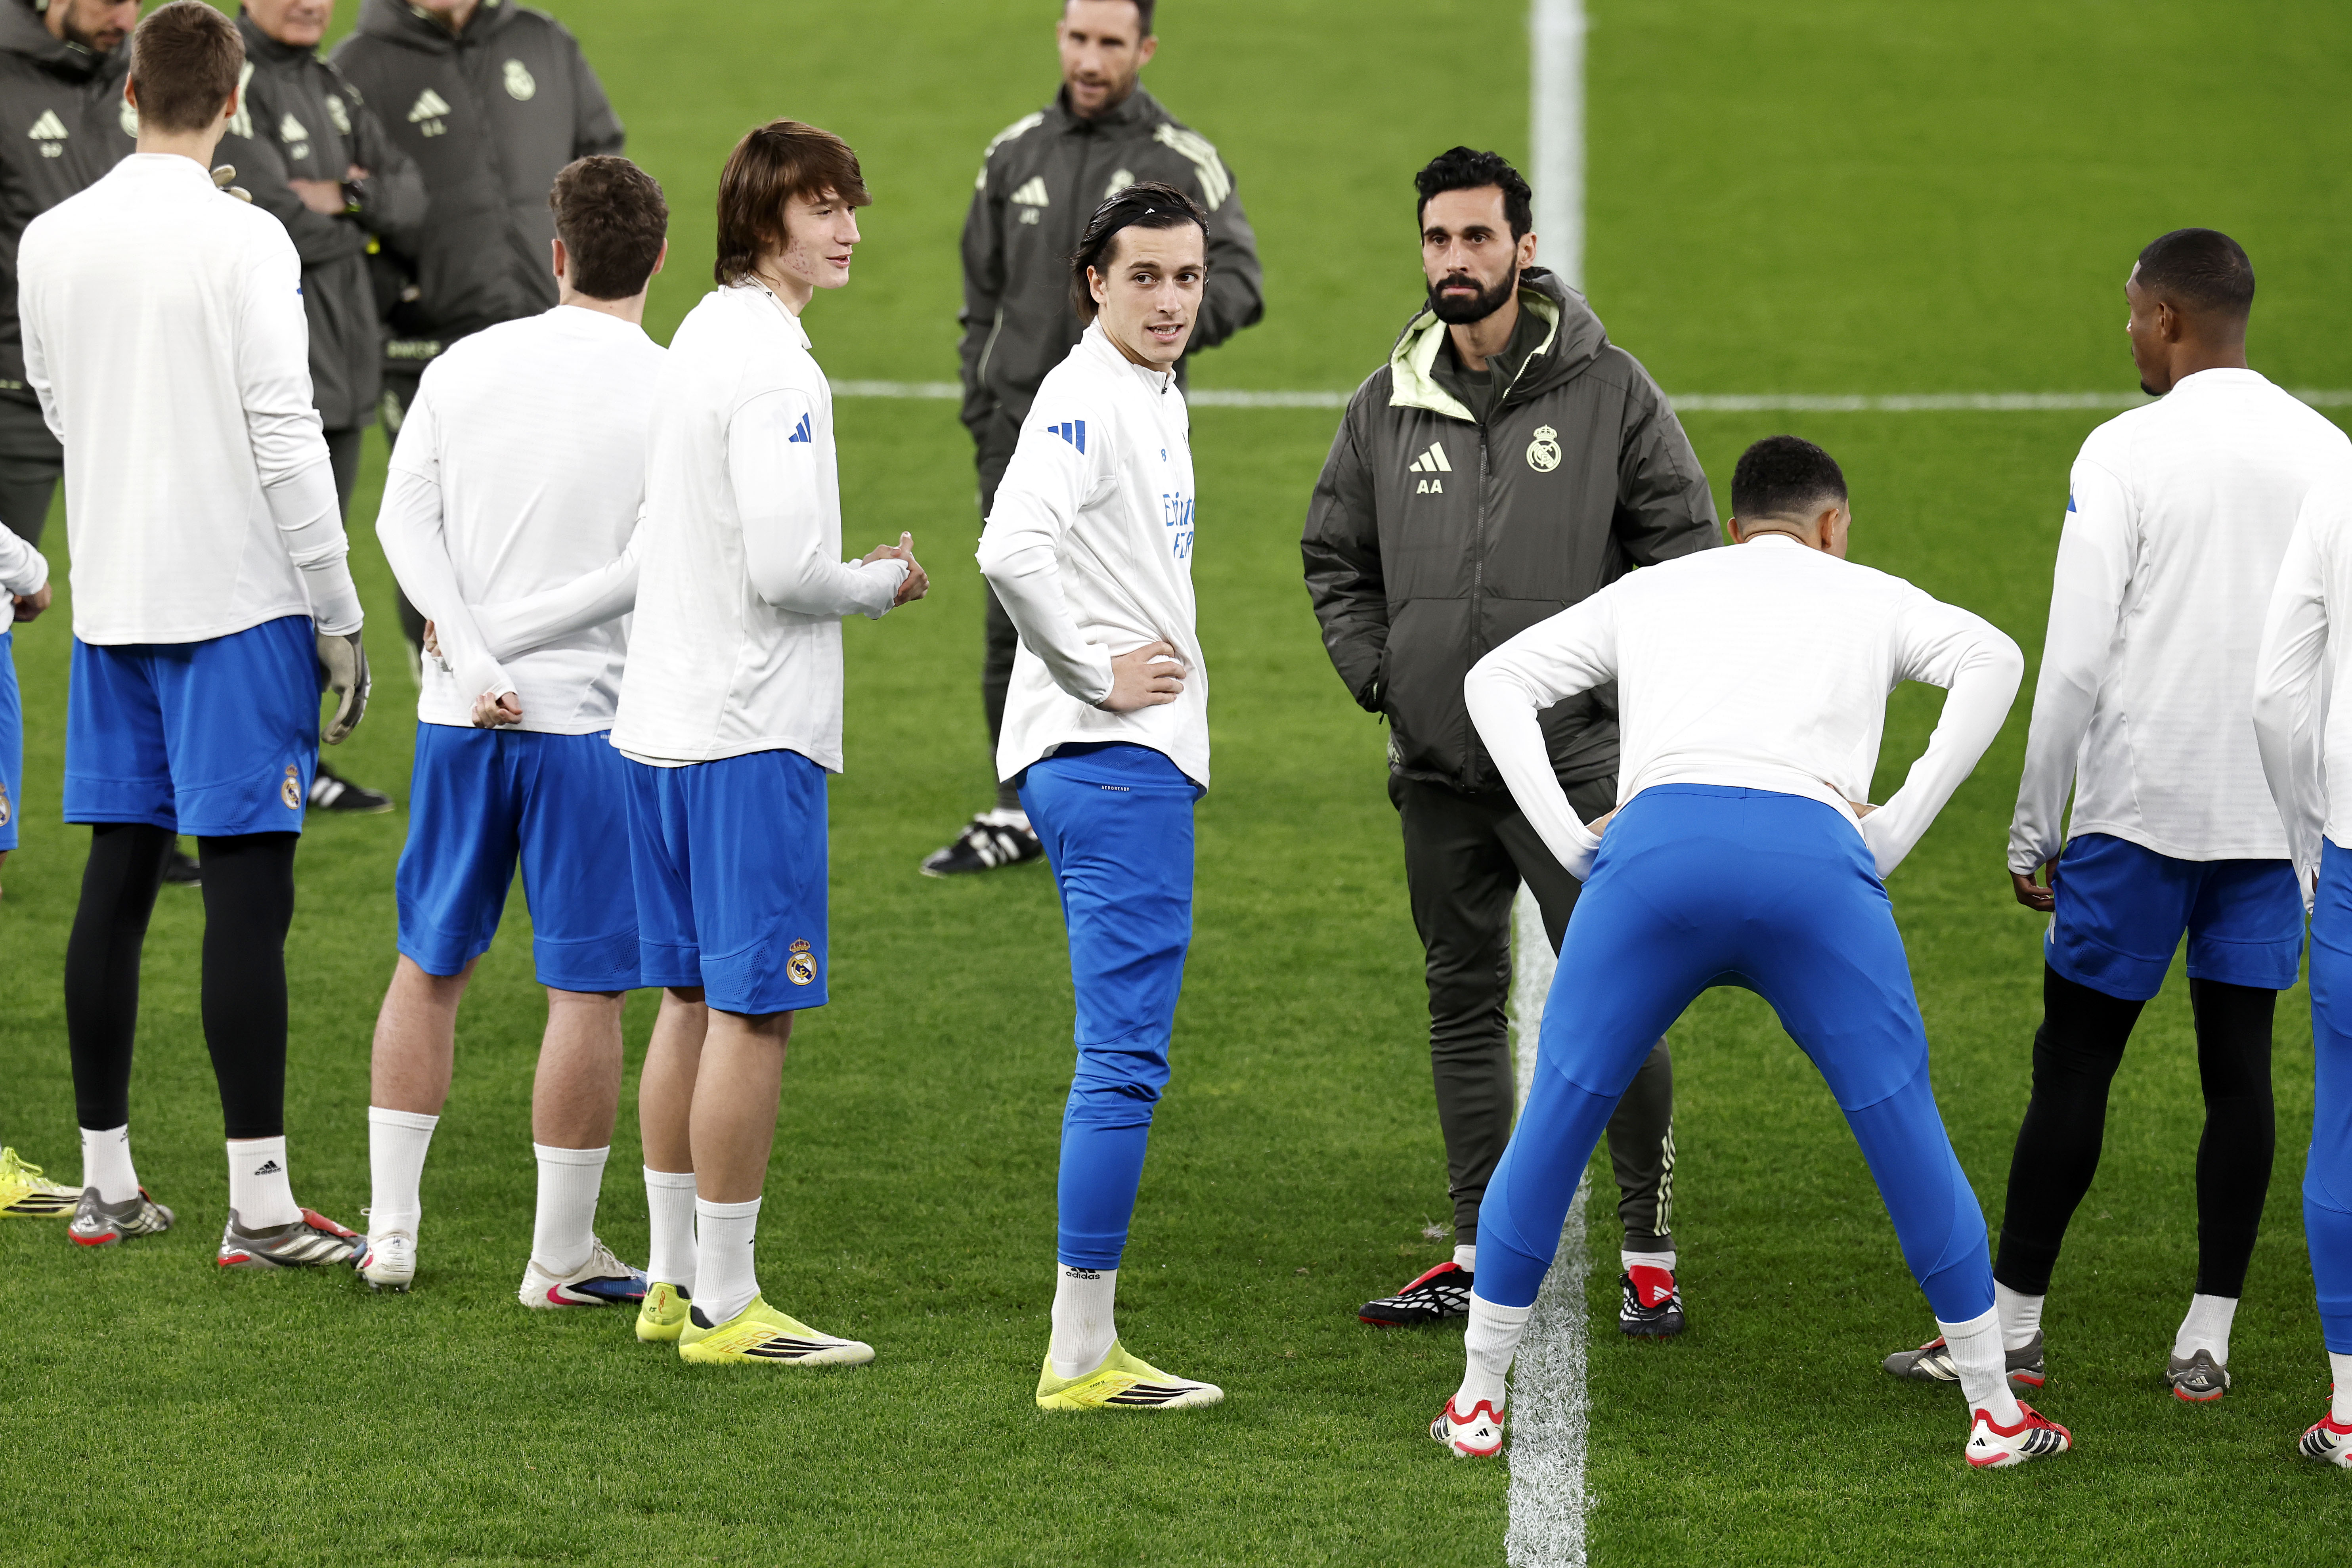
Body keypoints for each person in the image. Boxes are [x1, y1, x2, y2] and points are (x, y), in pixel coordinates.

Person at [1437, 435, 2063, 1469]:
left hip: (1651, 859)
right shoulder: (1862, 589)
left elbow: (1493, 680)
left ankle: (1474, 1398)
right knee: (1900, 1124)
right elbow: (1993, 656)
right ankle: (1993, 1411)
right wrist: (1897, 823)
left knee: (1553, 1118)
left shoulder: (1654, 588)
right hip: (1813, 865)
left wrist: (1569, 838)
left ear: (1733, 528)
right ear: (1831, 527)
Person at [1882, 230, 2351, 1405]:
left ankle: (2013, 1324)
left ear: (2173, 322)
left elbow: (2075, 666)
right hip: (2271, 823)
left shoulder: (2124, 449)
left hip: (2136, 813)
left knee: (2073, 1063)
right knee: (2238, 1072)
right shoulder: (2327, 453)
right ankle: (2209, 1334)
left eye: (2133, 313)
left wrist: (2032, 825)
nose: (2126, 331)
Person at [1303, 147, 1715, 1336]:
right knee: (1459, 998)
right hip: (1436, 765)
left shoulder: (1609, 391)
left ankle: (1646, 1243)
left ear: (1521, 249)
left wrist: (1624, 731)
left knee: (1620, 999)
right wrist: (1381, 673)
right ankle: (1479, 1240)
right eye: (1436, 240)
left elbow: (1680, 558)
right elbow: (1333, 555)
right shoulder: (1387, 399)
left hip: (1573, 769)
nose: (1454, 261)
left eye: (1477, 239)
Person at [23, 0, 371, 1266]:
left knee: (114, 882)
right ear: (235, 101)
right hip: (234, 603)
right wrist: (335, 606)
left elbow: (60, 403)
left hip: (114, 603)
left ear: (126, 91)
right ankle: (262, 1205)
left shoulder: (52, 238)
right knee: (244, 896)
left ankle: (107, 1182)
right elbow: (287, 431)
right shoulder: (248, 239)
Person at [609, 119, 925, 1365]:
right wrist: (882, 580)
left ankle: (669, 1278)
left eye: (850, 205)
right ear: (763, 219)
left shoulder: (696, 335)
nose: (846, 229)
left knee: (685, 1002)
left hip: (662, 726)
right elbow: (791, 567)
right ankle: (728, 1307)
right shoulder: (779, 370)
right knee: (751, 1014)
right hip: (747, 735)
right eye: (821, 208)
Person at [359, 155, 669, 1304]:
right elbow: (643, 573)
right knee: (584, 990)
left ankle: (391, 1233)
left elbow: (399, 519)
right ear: (657, 261)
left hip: (456, 716)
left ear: (556, 255)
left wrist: (474, 646)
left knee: (428, 965)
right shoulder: (669, 389)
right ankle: (558, 1257)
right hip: (587, 726)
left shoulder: (465, 364)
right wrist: (520, 648)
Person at [978, 180, 1222, 1411]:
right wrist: (1095, 672)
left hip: (1116, 760)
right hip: (1109, 760)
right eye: (1146, 278)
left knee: (1120, 1054)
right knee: (1121, 1059)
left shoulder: (1147, 393)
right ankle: (1079, 1353)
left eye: (1187, 277)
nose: (1171, 300)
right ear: (1095, 281)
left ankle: (1088, 1343)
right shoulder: (1084, 397)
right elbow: (1006, 546)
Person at [925, 0, 1261, 879]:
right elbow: (979, 294)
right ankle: (1017, 804)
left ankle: (1126, 769)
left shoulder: (1180, 163)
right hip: (1013, 423)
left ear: (1144, 49)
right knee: (1012, 603)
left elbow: (1241, 282)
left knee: (1129, 600)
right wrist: (981, 395)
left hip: (1125, 429)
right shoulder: (1013, 155)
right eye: (1077, 37)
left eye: (1111, 42)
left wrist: (1161, 320)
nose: (1090, 57)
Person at [331, 0, 623, 655]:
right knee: (442, 540)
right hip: (434, 344)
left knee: (564, 525)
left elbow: (605, 167)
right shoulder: (356, 69)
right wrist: (401, 291)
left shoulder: (542, 41)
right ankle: (440, 688)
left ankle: (567, 701)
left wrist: (597, 278)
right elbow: (339, 209)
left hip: (558, 329)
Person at [214, 0, 426, 817]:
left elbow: (411, 201)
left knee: (309, 585)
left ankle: (295, 767)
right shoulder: (239, 84)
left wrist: (347, 199)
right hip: (277, 380)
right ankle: (216, 783)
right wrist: (359, 216)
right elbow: (273, 218)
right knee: (257, 588)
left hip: (341, 373)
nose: (309, 3)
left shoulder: (331, 83)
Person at [2252, 447, 2352, 1469]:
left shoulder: (2338, 489)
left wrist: (2305, 842)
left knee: (2347, 1122)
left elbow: (2278, 702)